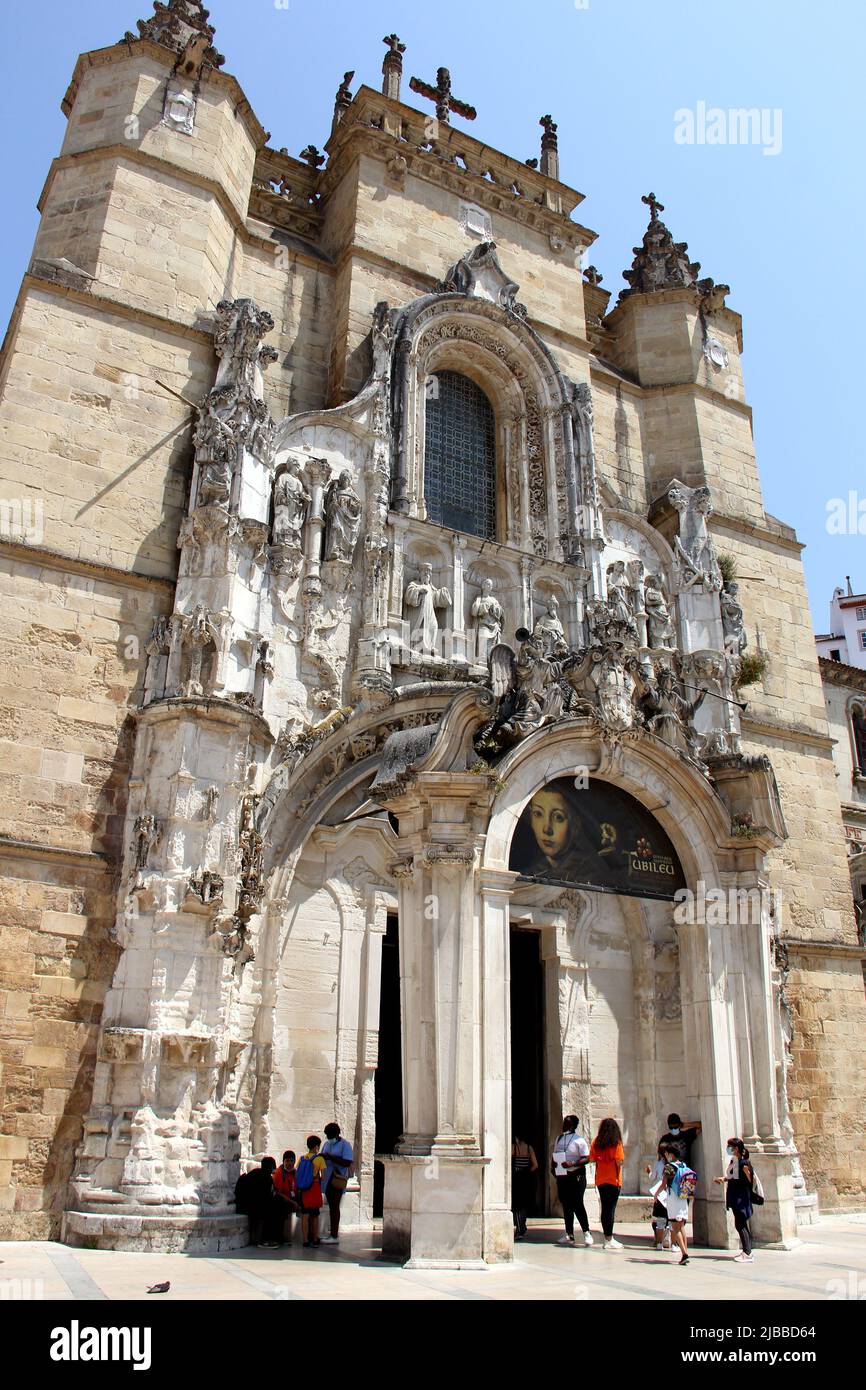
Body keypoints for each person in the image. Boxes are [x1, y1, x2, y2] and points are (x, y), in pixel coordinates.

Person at [551, 1114, 593, 1246]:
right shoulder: (559, 1138)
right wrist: (554, 1165)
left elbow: (587, 1158)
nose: (564, 1124)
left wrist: (572, 1163)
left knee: (577, 1204)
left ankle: (586, 1232)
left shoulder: (579, 1140)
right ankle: (569, 1234)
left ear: (573, 1125)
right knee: (566, 1205)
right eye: (564, 1122)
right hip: (563, 1176)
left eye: (566, 1123)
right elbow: (556, 1154)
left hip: (577, 1176)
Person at [714, 1137, 756, 1263]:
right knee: (740, 1224)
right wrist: (724, 1179)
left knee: (741, 1224)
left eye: (730, 1146)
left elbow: (749, 1180)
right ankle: (747, 1250)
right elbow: (733, 1177)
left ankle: (747, 1252)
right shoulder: (735, 1161)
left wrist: (746, 1172)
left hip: (741, 1198)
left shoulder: (743, 1163)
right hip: (735, 1196)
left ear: (736, 1148)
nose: (728, 1149)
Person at [589, 1118, 625, 1250]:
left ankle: (607, 1238)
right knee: (611, 1210)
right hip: (613, 1180)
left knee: (605, 1209)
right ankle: (609, 1239)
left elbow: (592, 1159)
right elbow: (619, 1161)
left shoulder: (596, 1142)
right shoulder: (617, 1143)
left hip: (601, 1180)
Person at [658, 1142, 693, 1266]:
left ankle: (684, 1253)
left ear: (670, 1154)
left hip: (673, 1198)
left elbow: (663, 1185)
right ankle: (686, 1250)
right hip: (683, 1198)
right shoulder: (683, 1165)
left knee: (675, 1226)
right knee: (682, 1226)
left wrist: (656, 1194)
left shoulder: (669, 1167)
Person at [235, 1156, 282, 1248]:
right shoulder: (267, 1178)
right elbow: (268, 1197)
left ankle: (260, 1239)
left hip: (243, 1204)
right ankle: (263, 1240)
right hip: (254, 1207)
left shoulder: (254, 1172)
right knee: (272, 1211)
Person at [320, 1121, 354, 1244]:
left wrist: (331, 1158)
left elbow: (347, 1162)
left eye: (329, 1135)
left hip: (337, 1179)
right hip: (327, 1180)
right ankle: (331, 1232)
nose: (328, 1138)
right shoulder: (327, 1144)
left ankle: (334, 1235)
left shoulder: (345, 1145)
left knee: (335, 1207)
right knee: (331, 1207)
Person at [296, 1136, 327, 1249]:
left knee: (305, 1214)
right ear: (316, 1147)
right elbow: (323, 1177)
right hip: (314, 1187)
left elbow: (298, 1173)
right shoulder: (320, 1159)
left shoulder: (302, 1158)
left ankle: (305, 1240)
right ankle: (314, 1238)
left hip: (304, 1188)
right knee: (315, 1215)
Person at [511, 1130, 539, 1240]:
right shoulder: (529, 1148)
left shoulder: (514, 1147)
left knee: (517, 1204)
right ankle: (523, 1226)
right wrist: (527, 1171)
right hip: (526, 1178)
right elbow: (535, 1165)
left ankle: (519, 1228)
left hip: (517, 1178)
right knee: (524, 1203)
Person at [646, 1143, 672, 1250]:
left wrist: (649, 1172)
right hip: (671, 1194)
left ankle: (659, 1243)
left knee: (660, 1219)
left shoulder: (658, 1164)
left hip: (661, 1193)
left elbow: (652, 1178)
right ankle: (670, 1241)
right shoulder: (673, 1164)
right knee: (670, 1219)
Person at [273, 1150, 299, 1245]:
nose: (289, 1163)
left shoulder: (295, 1173)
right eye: (287, 1161)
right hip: (282, 1199)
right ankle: (281, 1237)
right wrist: (292, 1202)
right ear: (283, 1161)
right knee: (283, 1207)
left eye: (292, 1161)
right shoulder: (279, 1173)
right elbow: (278, 1192)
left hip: (292, 1198)